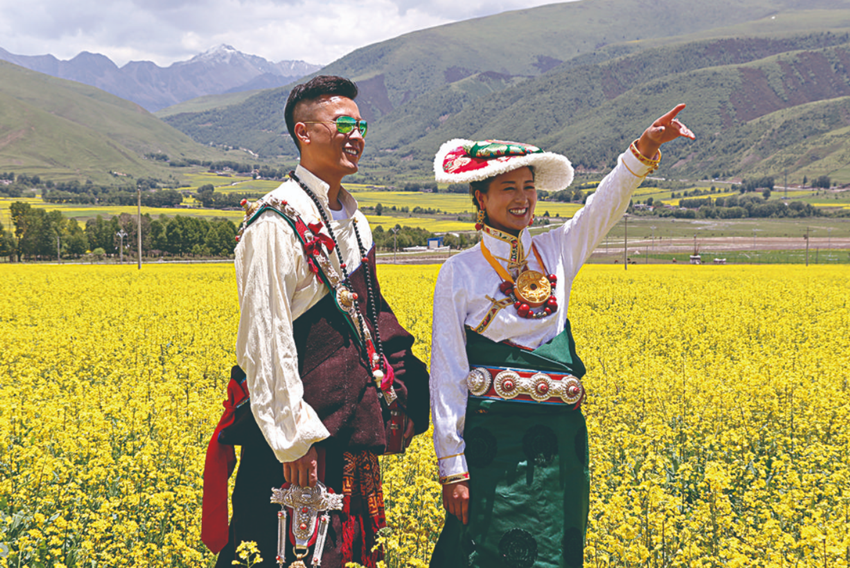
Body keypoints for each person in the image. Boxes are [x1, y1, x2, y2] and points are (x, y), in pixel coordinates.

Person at [429, 106, 694, 567]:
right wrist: (452, 465)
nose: (522, 199)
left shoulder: (556, 250)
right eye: (508, 188)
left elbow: (603, 206)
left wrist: (645, 147)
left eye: (529, 187)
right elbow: (448, 368)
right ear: (480, 198)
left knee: (556, 548)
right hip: (493, 443)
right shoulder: (460, 271)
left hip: (559, 443)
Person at [202, 75, 430, 568]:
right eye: (343, 124)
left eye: (361, 126)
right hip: (299, 445)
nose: (356, 136)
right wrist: (293, 438)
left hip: (347, 433)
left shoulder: (354, 220)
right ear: (303, 132)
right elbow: (266, 338)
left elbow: (372, 316)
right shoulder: (274, 222)